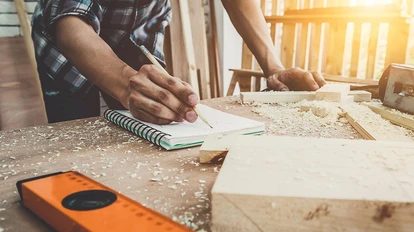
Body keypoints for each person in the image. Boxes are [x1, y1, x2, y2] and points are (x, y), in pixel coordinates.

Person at [32, 0, 326, 125]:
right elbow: (70, 23)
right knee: (78, 138)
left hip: (136, 33)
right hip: (69, 39)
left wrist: (272, 67)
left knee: (152, 122)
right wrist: (125, 83)